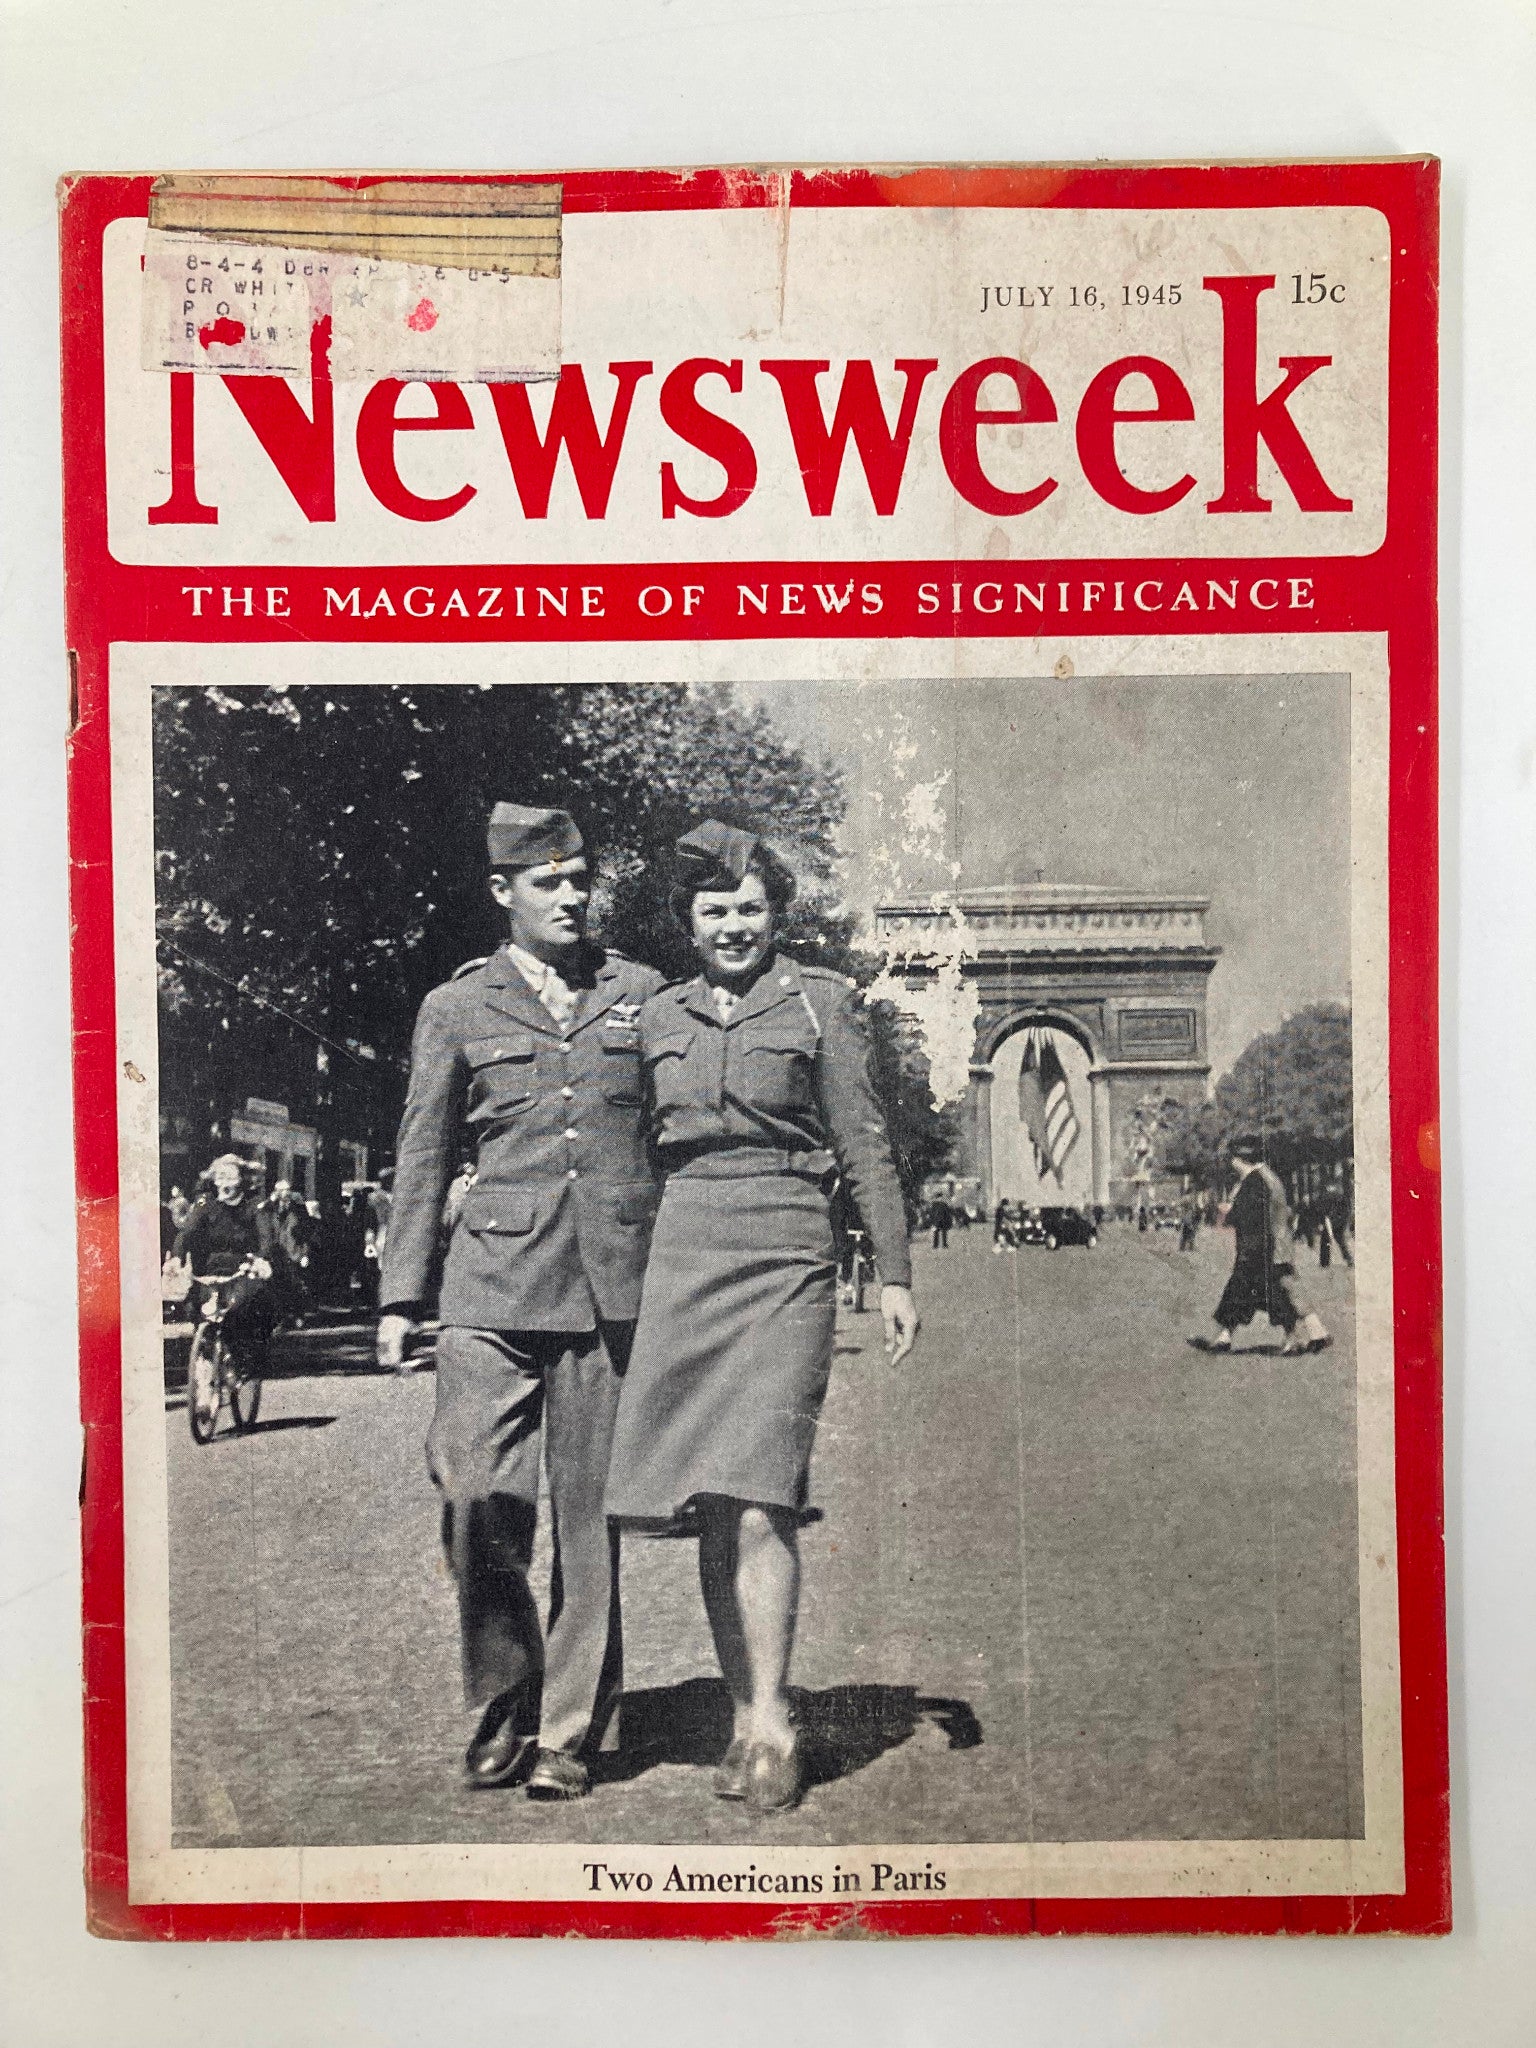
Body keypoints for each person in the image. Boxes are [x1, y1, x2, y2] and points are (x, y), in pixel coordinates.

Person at [604, 821, 919, 1815]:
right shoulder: (655, 1015)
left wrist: (899, 1271)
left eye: (749, 907)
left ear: (774, 913)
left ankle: (775, 1718)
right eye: (714, 910)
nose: (733, 924)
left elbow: (865, 1144)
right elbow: (620, 1152)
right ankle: (741, 1708)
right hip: (685, 1253)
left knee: (763, 1489)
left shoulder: (822, 1003)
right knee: (709, 1493)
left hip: (789, 1251)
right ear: (687, 923)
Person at [377, 804, 665, 1802]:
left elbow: (685, 1134)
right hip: (490, 1287)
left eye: (581, 877)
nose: (572, 895)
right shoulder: (455, 1007)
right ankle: (511, 1683)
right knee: (475, 1497)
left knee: (593, 1524)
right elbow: (420, 1155)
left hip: (610, 1290)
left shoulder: (642, 994)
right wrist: (400, 1295)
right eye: (549, 881)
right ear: (503, 891)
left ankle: (568, 1730)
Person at [1189, 1133, 1331, 1355]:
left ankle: (1295, 1337)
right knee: (1271, 1291)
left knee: (1272, 1294)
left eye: (1232, 1158)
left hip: (1264, 1249)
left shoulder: (1256, 1182)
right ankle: (1314, 1333)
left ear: (1238, 1159)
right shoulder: (1267, 1177)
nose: (1230, 1163)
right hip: (1275, 1245)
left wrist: (1231, 1216)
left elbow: (1250, 1219)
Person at [172, 1153, 282, 1368]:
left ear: (243, 1180)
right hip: (208, 1273)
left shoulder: (256, 1205)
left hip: (242, 1271)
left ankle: (243, 1359)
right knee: (195, 1307)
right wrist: (177, 1258)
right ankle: (204, 1360)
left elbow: (266, 1238)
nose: (225, 1184)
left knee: (246, 1307)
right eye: (220, 1177)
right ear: (213, 1180)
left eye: (231, 1178)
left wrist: (261, 1260)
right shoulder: (205, 1203)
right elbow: (187, 1233)